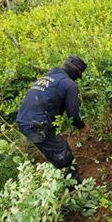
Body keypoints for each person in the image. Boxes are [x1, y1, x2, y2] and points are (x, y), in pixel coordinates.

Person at [16, 55, 90, 188]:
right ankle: (73, 190)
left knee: (54, 148)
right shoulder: (69, 84)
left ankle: (56, 173)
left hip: (23, 120)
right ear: (76, 72)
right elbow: (73, 115)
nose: (76, 79)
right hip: (37, 125)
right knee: (64, 156)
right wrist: (83, 126)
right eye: (78, 76)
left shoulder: (52, 76)